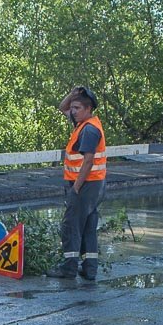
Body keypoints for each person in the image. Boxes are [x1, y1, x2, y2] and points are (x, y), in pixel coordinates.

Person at [46, 86, 106, 281]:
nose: (72, 111)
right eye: (73, 108)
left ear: (88, 109)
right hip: (94, 185)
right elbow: (61, 107)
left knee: (71, 225)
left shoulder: (88, 130)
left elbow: (88, 161)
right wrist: (72, 95)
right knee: (89, 227)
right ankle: (90, 269)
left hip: (85, 185)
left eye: (77, 108)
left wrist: (76, 189)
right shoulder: (84, 124)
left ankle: (69, 268)